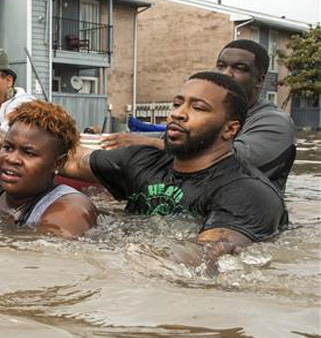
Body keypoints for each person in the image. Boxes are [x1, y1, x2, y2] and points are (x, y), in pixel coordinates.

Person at [61, 72, 287, 263]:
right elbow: (66, 161)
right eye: (177, 103)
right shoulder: (142, 161)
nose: (177, 113)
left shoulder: (248, 192)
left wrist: (130, 257)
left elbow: (205, 256)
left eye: (198, 108)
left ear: (230, 129)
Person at [101, 40, 296, 193]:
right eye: (221, 66)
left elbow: (231, 158)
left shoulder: (276, 122)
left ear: (259, 80)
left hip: (246, 216)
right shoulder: (211, 116)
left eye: (239, 68)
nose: (227, 74)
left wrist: (148, 143)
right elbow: (171, 137)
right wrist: (116, 141)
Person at [0, 100, 98, 237]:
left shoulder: (71, 209)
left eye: (29, 153)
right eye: (8, 147)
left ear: (58, 164)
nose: (11, 159)